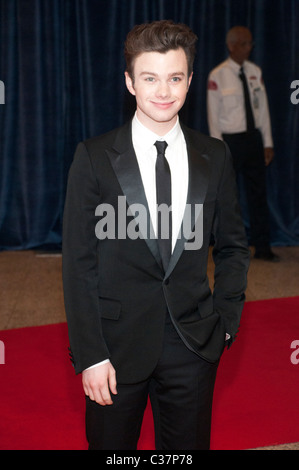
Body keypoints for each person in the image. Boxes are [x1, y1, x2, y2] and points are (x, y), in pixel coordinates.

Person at [62, 20, 250, 451]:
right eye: (150, 78)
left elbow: (234, 246)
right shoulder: (93, 157)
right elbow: (78, 262)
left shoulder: (214, 156)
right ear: (129, 82)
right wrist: (90, 353)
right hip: (114, 348)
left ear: (188, 82)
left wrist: (224, 324)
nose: (163, 91)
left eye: (175, 78)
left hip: (194, 346)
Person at [207, 26, 278, 261]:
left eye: (250, 44)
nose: (249, 48)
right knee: (228, 196)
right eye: (244, 44)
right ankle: (227, 246)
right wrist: (218, 149)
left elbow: (263, 109)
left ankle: (263, 247)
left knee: (258, 194)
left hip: (253, 139)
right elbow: (213, 116)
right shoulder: (218, 75)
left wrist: (267, 142)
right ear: (232, 46)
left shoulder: (255, 71)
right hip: (230, 141)